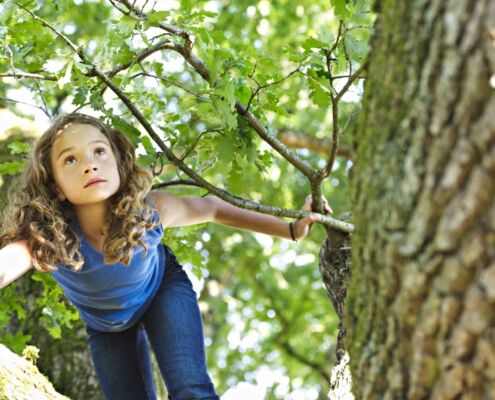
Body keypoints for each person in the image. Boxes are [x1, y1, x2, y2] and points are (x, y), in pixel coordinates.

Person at [0, 113, 332, 400]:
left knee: (191, 390)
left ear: (118, 164)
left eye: (99, 151)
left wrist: (290, 230)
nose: (90, 165)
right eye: (70, 160)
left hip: (162, 291)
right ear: (56, 185)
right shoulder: (47, 237)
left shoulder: (150, 212)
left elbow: (214, 209)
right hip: (107, 328)